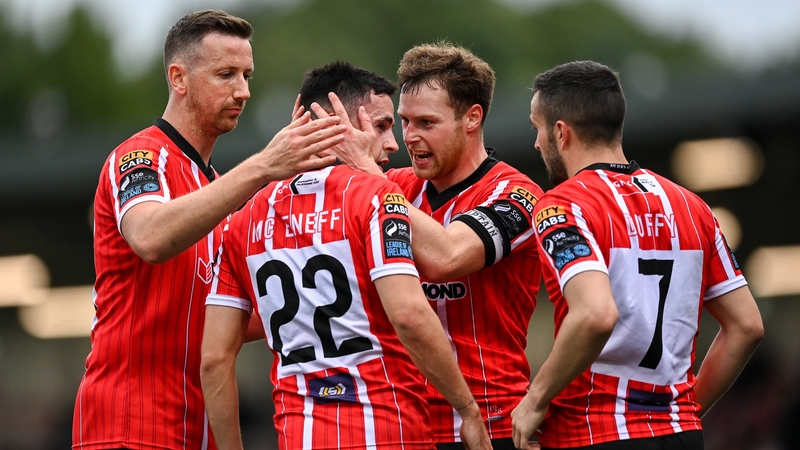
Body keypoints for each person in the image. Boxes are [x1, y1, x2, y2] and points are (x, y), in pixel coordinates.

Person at [73, 10, 346, 450]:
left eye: (246, 75)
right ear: (178, 78)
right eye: (226, 74)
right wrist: (263, 167)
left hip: (199, 428)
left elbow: (235, 316)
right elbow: (151, 237)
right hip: (128, 425)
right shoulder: (141, 156)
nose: (243, 91)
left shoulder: (215, 188)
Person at [200, 61, 491, 450]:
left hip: (298, 434)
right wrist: (468, 410)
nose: (394, 143)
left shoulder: (243, 219)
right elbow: (409, 315)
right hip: (387, 429)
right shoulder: (377, 195)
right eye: (383, 126)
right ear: (340, 123)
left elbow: (214, 360)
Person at [510, 60, 764, 450]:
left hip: (593, 432)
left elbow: (595, 315)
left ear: (561, 133)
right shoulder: (692, 206)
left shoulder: (563, 206)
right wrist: (686, 411)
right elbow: (747, 325)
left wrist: (534, 400)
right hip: (679, 433)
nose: (535, 143)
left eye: (536, 129)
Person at [332, 42, 544, 450]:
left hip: (490, 424)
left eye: (427, 123)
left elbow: (447, 257)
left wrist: (365, 174)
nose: (409, 137)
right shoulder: (395, 187)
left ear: (472, 118)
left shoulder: (518, 194)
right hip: (405, 423)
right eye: (404, 122)